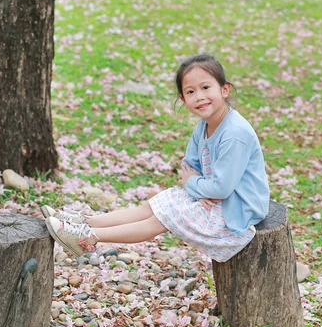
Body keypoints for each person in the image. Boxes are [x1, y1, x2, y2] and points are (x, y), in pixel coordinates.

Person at [43, 54, 270, 263]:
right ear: (183, 98)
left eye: (205, 87)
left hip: (237, 214)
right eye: (190, 92)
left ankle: (88, 238)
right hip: (214, 199)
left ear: (224, 90)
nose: (199, 97)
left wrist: (195, 186)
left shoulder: (234, 134)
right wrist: (199, 190)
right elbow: (190, 165)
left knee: (163, 217)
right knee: (155, 204)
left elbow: (219, 188)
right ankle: (85, 221)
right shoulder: (204, 126)